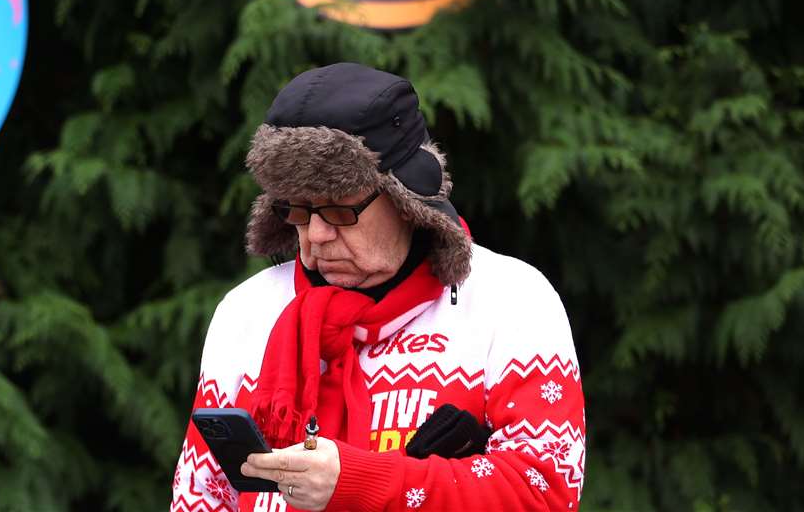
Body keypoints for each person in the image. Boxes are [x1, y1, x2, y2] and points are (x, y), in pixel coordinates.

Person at [170, 63, 585, 511]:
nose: (315, 236)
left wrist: (357, 482)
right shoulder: (246, 312)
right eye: (297, 211)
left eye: (339, 210)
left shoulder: (511, 299)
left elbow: (543, 491)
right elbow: (200, 498)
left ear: (406, 199)